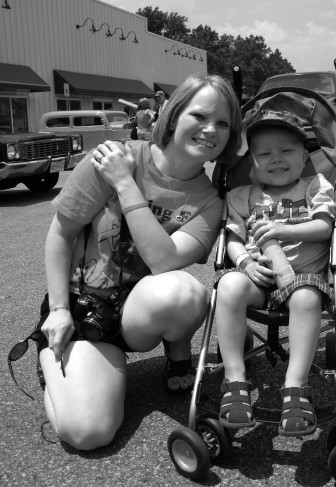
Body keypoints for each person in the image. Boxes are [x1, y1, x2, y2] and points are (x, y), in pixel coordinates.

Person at [37, 73, 242, 451]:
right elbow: (60, 234)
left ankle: (176, 353)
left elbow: (163, 260)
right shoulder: (116, 156)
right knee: (88, 433)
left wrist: (125, 185)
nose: (210, 129)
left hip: (137, 313)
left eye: (223, 123)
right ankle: (60, 361)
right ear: (174, 113)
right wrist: (59, 309)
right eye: (199, 116)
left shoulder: (211, 202)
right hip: (84, 307)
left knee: (185, 292)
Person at [215, 110, 335, 436]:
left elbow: (324, 226)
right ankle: (236, 380)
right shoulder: (242, 196)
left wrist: (282, 230)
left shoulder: (315, 186)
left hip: (301, 280)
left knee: (307, 296)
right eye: (264, 153)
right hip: (260, 279)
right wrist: (245, 264)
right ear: (251, 162)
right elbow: (234, 240)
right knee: (228, 286)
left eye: (287, 150)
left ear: (305, 156)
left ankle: (295, 387)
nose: (276, 159)